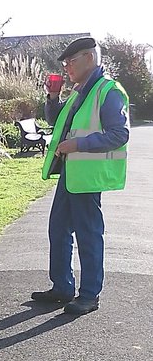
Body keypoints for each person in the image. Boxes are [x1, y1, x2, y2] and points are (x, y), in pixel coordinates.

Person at [31, 36, 129, 316]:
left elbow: (119, 134)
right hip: (71, 174)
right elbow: (58, 122)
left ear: (90, 58)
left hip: (87, 176)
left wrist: (77, 145)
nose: (66, 68)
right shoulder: (80, 90)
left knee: (88, 235)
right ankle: (62, 287)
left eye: (71, 62)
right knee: (58, 229)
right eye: (65, 63)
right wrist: (53, 97)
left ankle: (89, 295)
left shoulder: (107, 90)